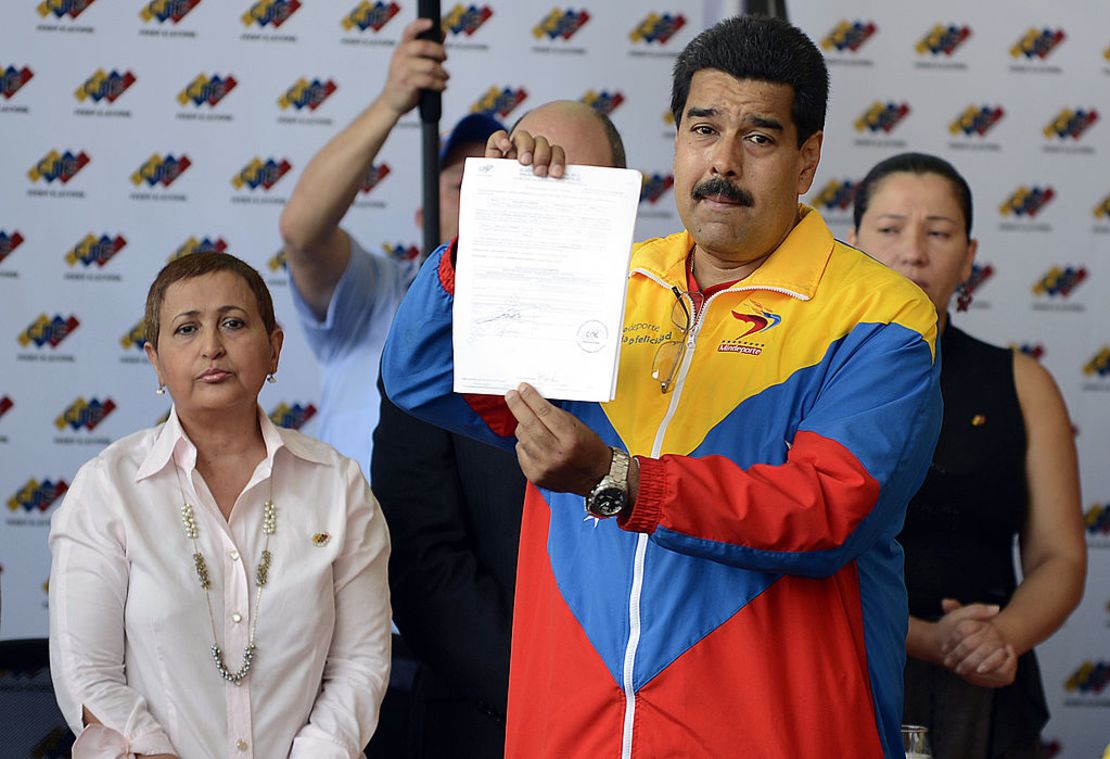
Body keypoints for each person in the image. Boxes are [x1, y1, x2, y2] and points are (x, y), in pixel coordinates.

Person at [382, 15, 942, 758]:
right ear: (676, 139)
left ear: (807, 161)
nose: (724, 163)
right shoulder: (609, 282)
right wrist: (492, 236)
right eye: (703, 129)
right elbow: (422, 373)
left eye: (760, 138)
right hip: (572, 731)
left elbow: (825, 511)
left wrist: (621, 480)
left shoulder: (881, 313)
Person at [49, 252, 392, 758]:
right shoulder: (108, 489)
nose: (212, 347)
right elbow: (87, 673)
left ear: (274, 349)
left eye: (233, 324)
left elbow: (360, 665)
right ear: (155, 361)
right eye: (186, 330)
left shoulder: (337, 486)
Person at [371, 99, 627, 759]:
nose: (555, 207)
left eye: (579, 192)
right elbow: (425, 564)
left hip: (648, 719)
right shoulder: (439, 352)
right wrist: (552, 690)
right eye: (534, 186)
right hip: (492, 719)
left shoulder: (670, 341)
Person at [849, 153, 1086, 759]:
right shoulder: (804, 378)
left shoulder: (1021, 381)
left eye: (939, 232)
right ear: (851, 243)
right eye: (890, 228)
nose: (913, 251)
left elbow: (1059, 556)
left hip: (984, 688)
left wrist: (996, 639)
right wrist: (926, 639)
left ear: (970, 254)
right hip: (845, 666)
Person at [278, 16, 504, 475]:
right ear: (422, 216)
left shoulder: (535, 324)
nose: (485, 195)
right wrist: (390, 103)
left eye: (498, 179)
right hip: (350, 540)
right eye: (464, 183)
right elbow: (302, 231)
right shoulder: (380, 293)